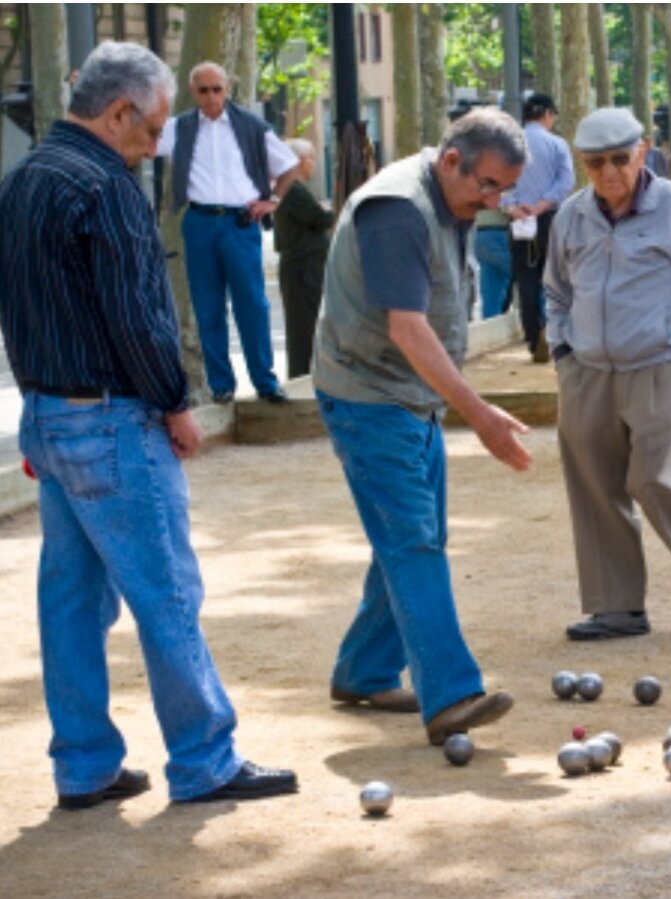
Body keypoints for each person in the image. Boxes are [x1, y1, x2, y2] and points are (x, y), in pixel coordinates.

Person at [0, 41, 297, 809]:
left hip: (48, 413)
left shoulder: (25, 177)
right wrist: (174, 402)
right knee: (165, 588)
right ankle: (204, 758)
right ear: (118, 111)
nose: (159, 142)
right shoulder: (109, 187)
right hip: (108, 418)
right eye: (153, 126)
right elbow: (137, 316)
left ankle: (84, 764)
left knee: (70, 597)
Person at [312, 108, 530, 746]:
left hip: (408, 395)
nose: (491, 202)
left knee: (413, 534)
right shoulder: (398, 209)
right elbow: (408, 327)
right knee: (414, 541)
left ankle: (364, 671)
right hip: (368, 395)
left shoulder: (449, 198)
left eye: (503, 192)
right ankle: (452, 695)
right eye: (485, 186)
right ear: (451, 160)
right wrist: (481, 415)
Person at [545, 107, 671, 641]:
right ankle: (618, 607)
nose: (609, 173)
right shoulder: (571, 215)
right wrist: (561, 350)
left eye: (618, 159)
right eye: (594, 163)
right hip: (585, 370)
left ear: (643, 151)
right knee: (595, 485)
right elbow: (556, 291)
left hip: (658, 363)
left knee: (656, 479)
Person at [157, 62, 300, 404]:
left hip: (241, 224)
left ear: (227, 88)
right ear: (193, 92)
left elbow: (290, 165)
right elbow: (145, 144)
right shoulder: (179, 127)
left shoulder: (251, 125)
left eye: (216, 89)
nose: (211, 96)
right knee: (207, 306)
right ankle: (221, 386)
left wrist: (273, 201)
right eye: (203, 90)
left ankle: (265, 382)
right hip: (199, 222)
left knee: (252, 304)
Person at [504, 93, 574, 362]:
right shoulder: (557, 144)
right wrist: (542, 205)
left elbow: (498, 186)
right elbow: (565, 182)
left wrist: (513, 207)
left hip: (518, 220)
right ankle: (556, 334)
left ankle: (533, 337)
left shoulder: (509, 144)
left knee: (526, 278)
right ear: (546, 113)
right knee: (557, 278)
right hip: (550, 219)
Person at [274, 138, 335, 379]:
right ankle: (300, 377)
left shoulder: (290, 188)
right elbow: (321, 219)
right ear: (299, 161)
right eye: (312, 159)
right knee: (303, 327)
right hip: (302, 269)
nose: (314, 165)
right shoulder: (293, 190)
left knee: (307, 326)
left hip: (307, 267)